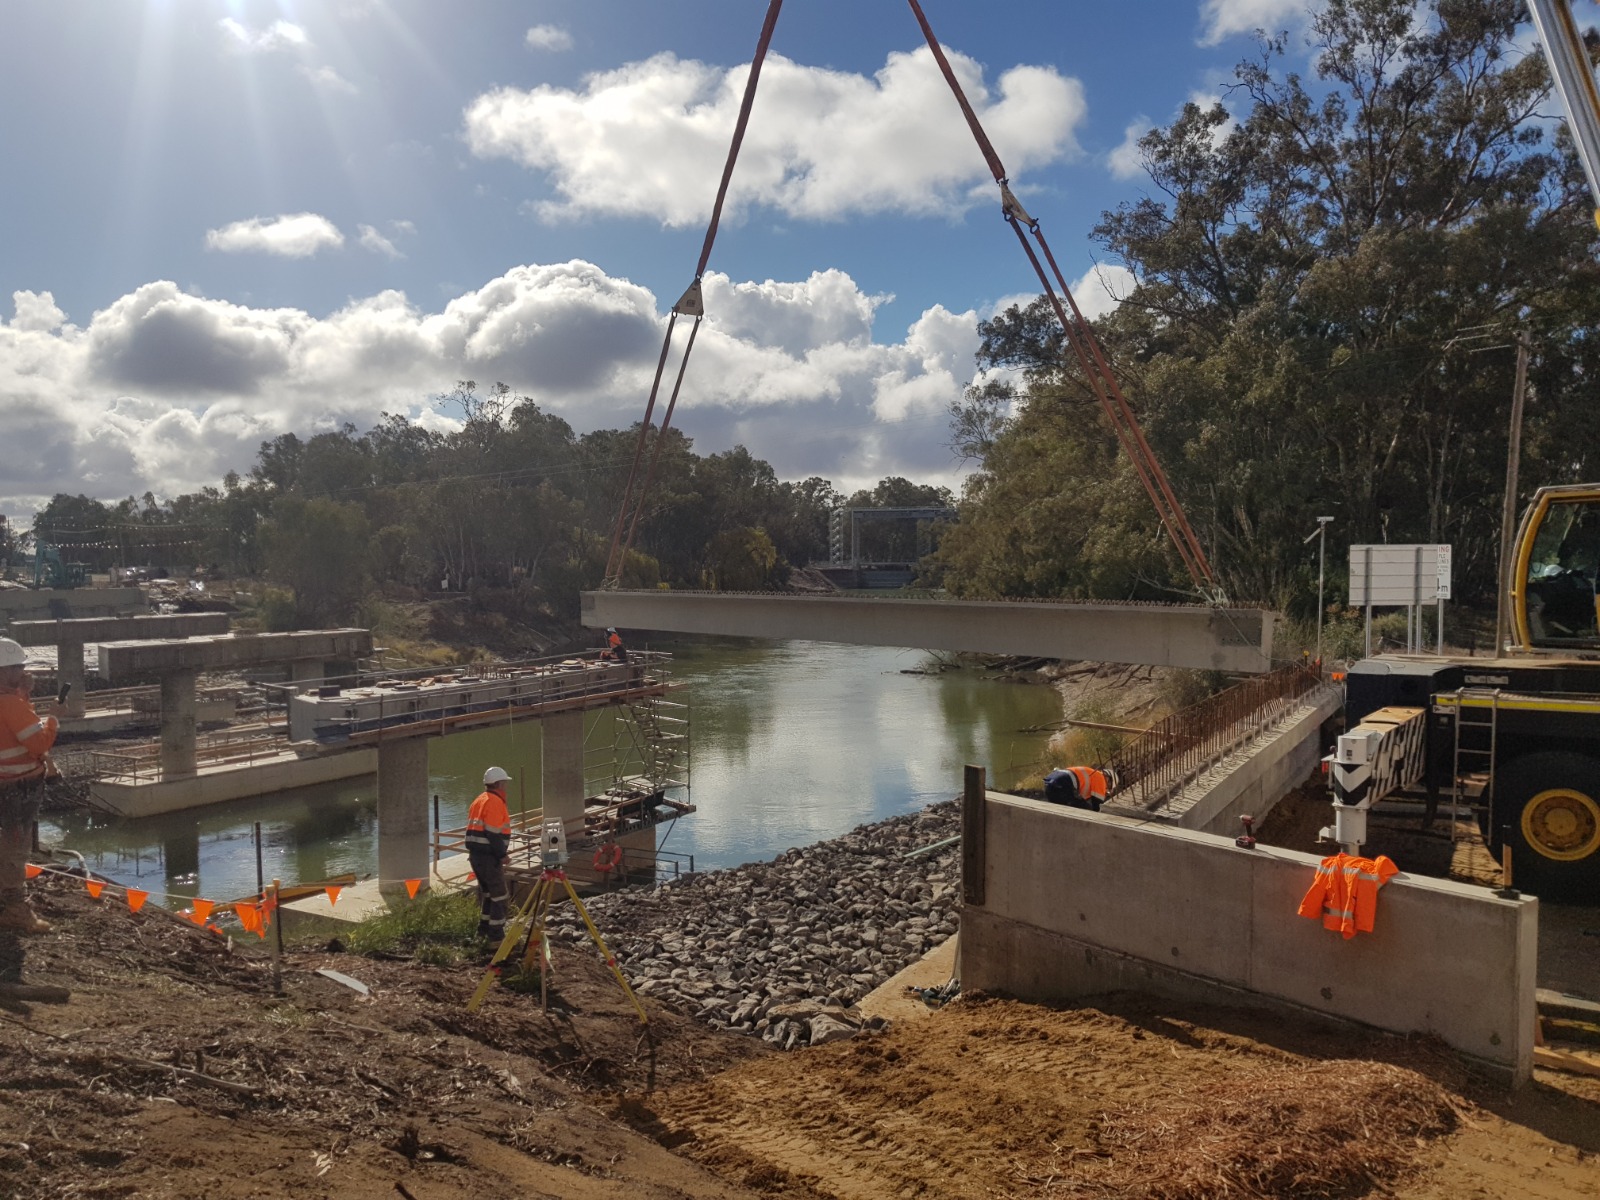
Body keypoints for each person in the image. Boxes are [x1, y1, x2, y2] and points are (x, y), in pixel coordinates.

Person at [0, 638, 57, 936]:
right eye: (18, 668)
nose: (23, 672)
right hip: (17, 789)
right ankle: (14, 910)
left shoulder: (11, 700)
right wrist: (52, 722)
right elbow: (38, 743)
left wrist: (22, 695)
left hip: (5, 785)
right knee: (15, 847)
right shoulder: (9, 704)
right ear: (7, 670)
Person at [465, 766, 514, 941]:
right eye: (505, 783)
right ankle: (496, 937)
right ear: (499, 783)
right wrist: (502, 855)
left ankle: (482, 932)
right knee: (499, 895)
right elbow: (492, 833)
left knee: (487, 894)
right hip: (488, 857)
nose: (506, 787)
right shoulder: (494, 802)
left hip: (476, 856)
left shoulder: (479, 800)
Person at [1042, 765, 1119, 812]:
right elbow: (1097, 806)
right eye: (1108, 787)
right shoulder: (1101, 778)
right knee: (1086, 810)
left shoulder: (1092, 774)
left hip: (1050, 782)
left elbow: (1081, 798)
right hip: (1063, 783)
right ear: (1108, 779)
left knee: (1062, 809)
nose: (1105, 789)